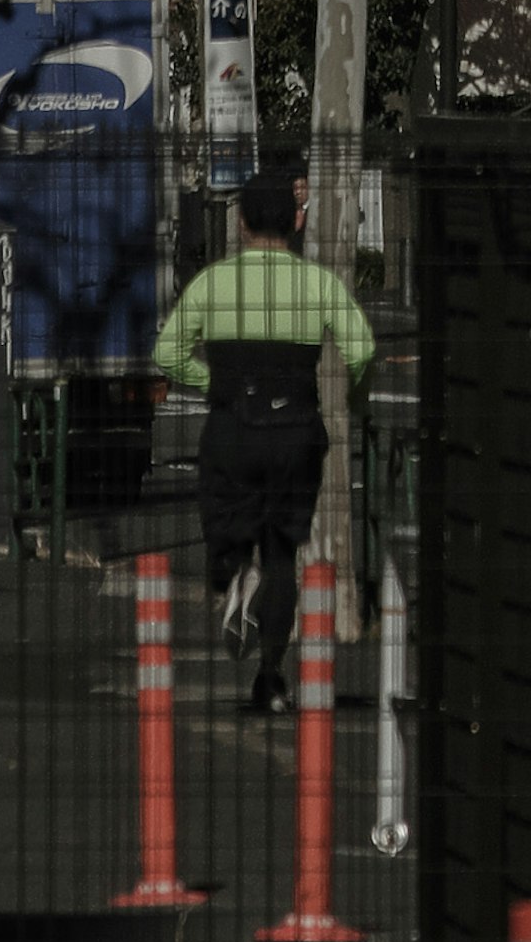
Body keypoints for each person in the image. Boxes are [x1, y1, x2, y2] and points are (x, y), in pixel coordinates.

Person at [149, 165, 375, 710]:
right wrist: (352, 398)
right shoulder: (318, 283)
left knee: (227, 532)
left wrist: (215, 382)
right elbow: (362, 348)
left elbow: (166, 355)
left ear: (244, 223)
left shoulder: (212, 283)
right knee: (283, 555)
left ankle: (232, 575)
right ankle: (271, 678)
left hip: (232, 427)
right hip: (297, 430)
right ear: (294, 223)